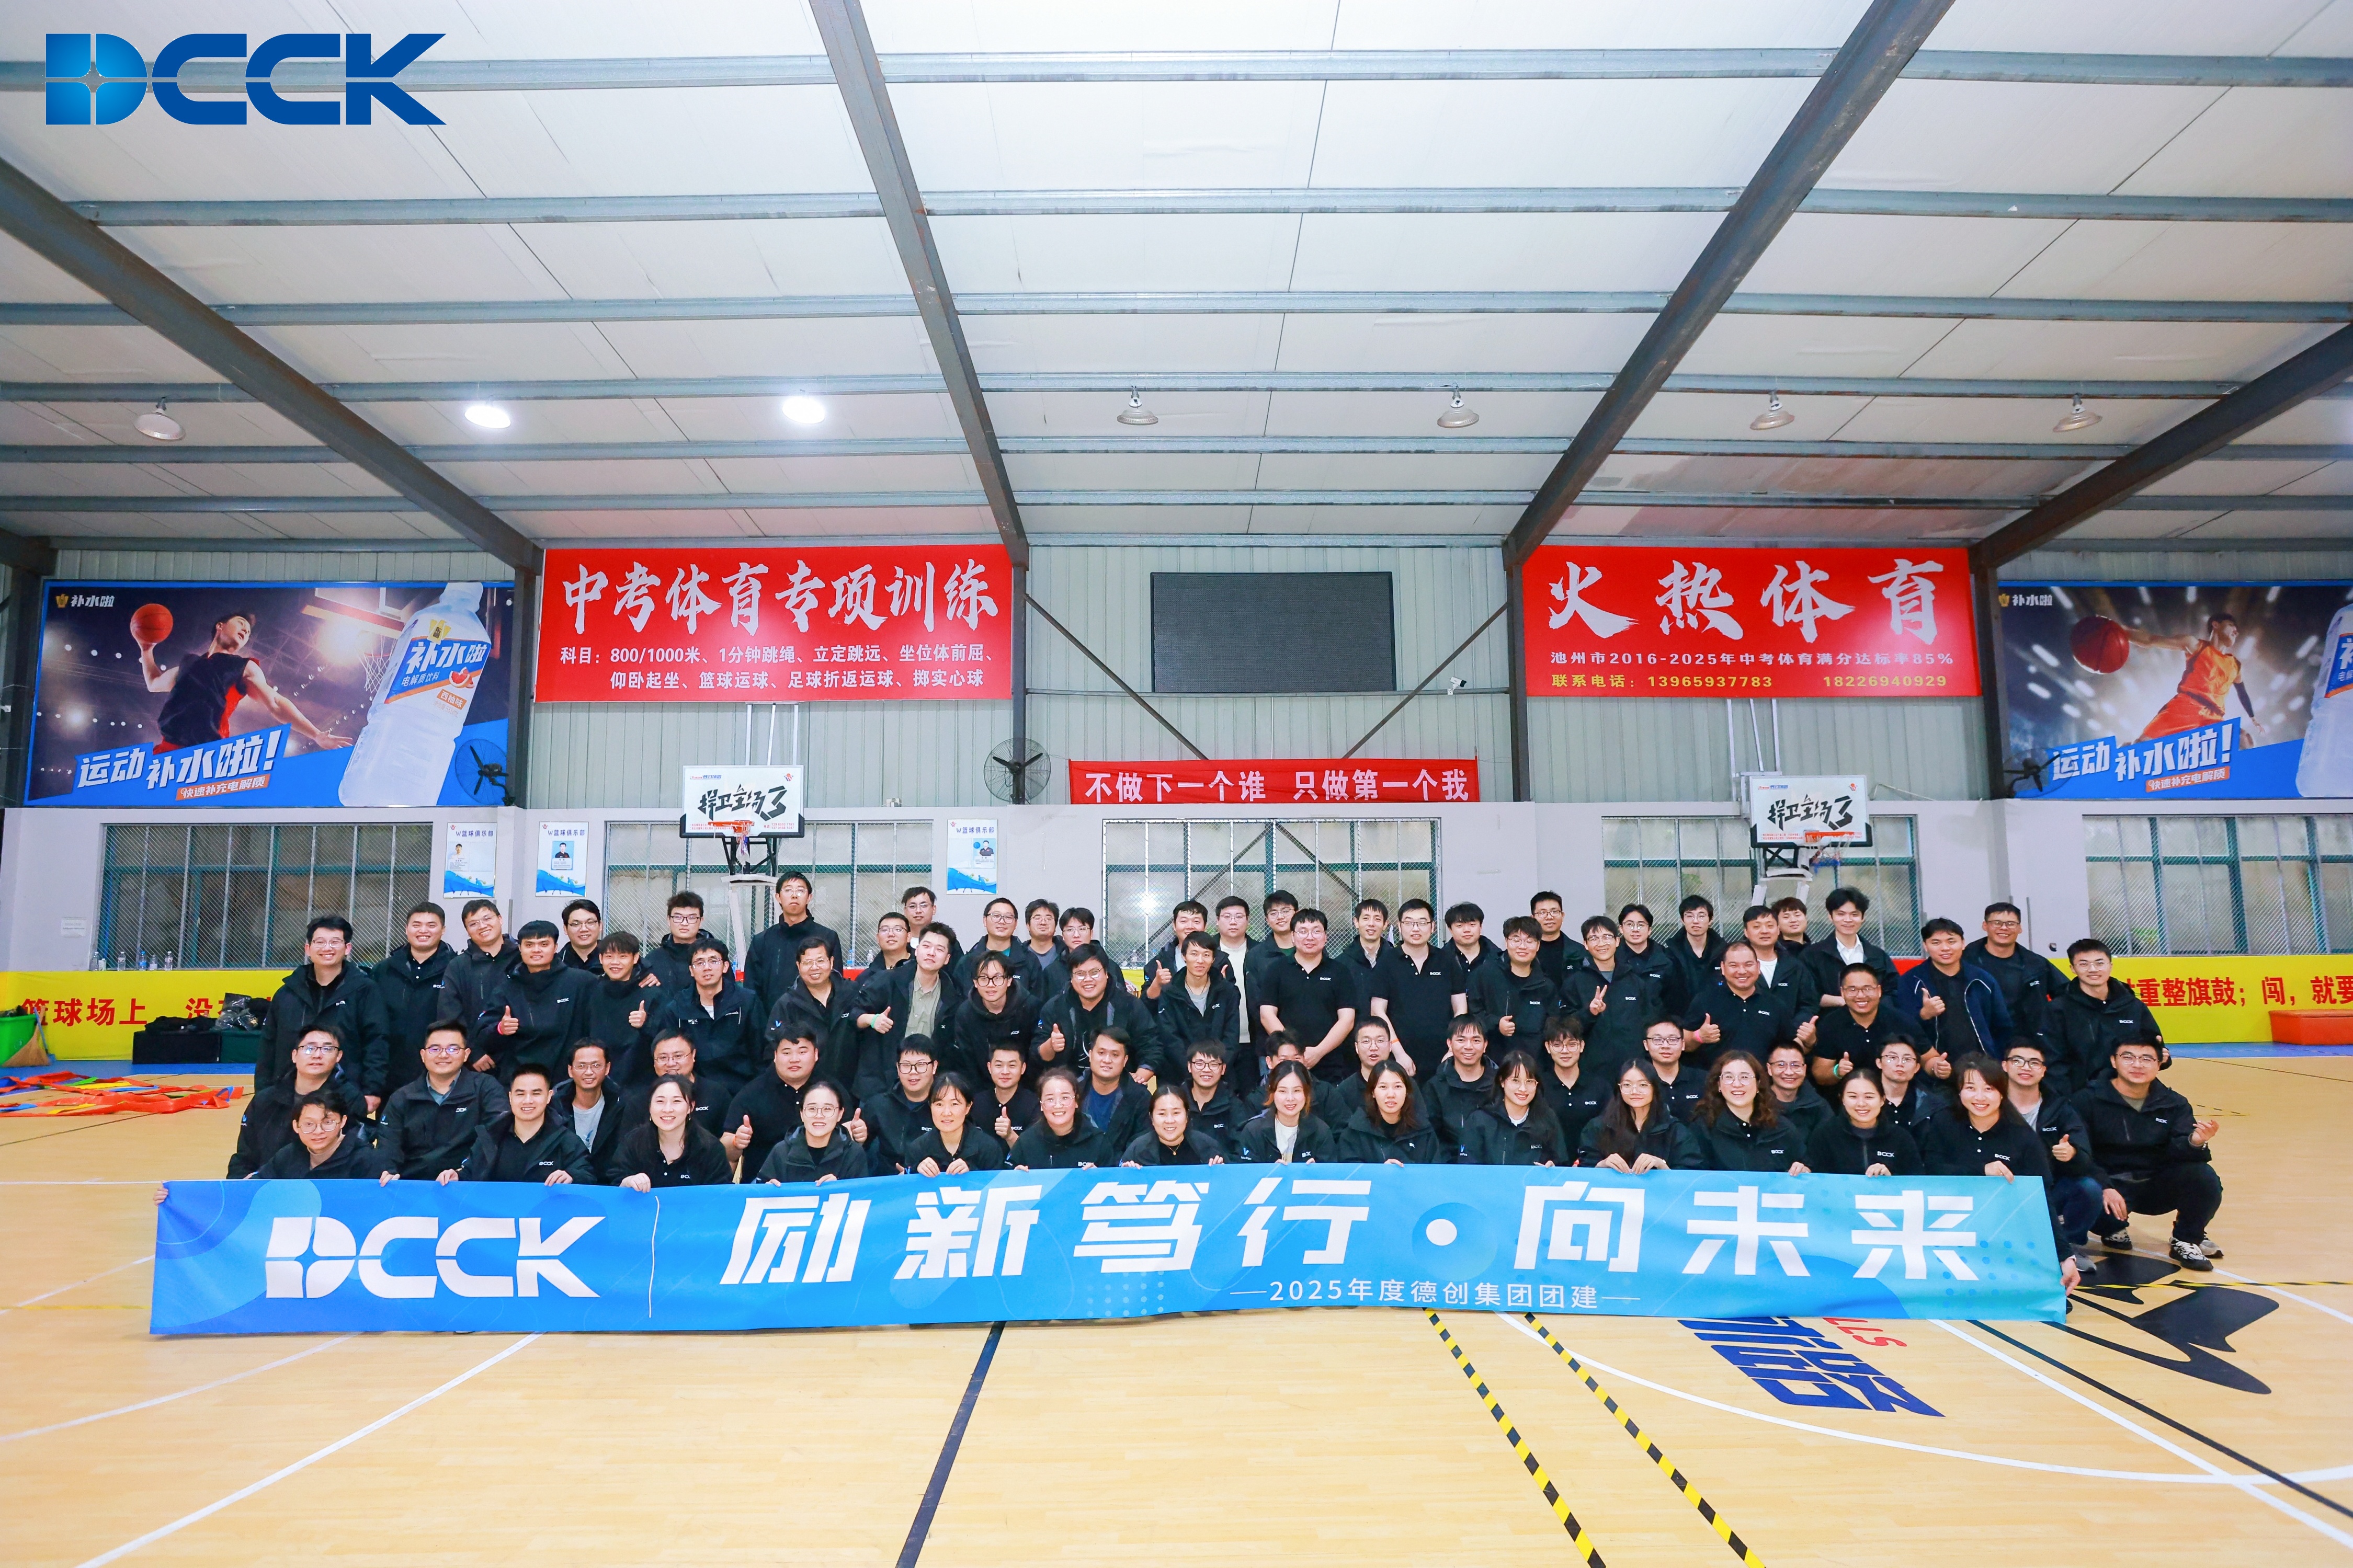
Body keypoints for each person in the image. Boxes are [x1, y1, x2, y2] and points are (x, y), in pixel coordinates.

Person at [1923, 1055, 2082, 1292]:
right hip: (1949, 1230)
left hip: (2002, 1234)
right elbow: (1930, 1170)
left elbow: (2039, 1200)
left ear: (2002, 1093)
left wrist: (2066, 1256)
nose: (1979, 1097)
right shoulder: (1943, 1123)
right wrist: (1981, 1171)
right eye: (1970, 1088)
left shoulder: (2023, 1138)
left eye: (1989, 1089)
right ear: (1959, 1091)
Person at [2072, 1038, 2223, 1271]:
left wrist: (2194, 1143)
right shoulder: (2087, 1100)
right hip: (2110, 1185)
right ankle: (2111, 1228)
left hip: (2155, 1184)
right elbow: (2081, 1153)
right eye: (2128, 1057)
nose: (2137, 1065)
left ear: (2159, 1063)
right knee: (2087, 1191)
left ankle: (2186, 1239)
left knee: (2204, 1177)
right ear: (2113, 1061)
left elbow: (2184, 1155)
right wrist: (2104, 1186)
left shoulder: (2174, 1103)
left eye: (2147, 1059)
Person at [137, 605, 351, 754]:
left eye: (248, 632)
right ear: (220, 626)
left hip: (207, 754)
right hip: (167, 751)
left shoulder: (245, 667)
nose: (245, 631)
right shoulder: (189, 664)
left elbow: (276, 703)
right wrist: (146, 649)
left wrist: (316, 735)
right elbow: (154, 682)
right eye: (241, 624)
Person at [1999, 1037, 2107, 1272]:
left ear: (2044, 1070)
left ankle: (2069, 1246)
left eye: (2034, 1063)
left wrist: (2073, 1153)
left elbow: (2084, 1154)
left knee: (2088, 1189)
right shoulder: (1988, 1103)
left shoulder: (2060, 1108)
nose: (2026, 1067)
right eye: (2018, 1061)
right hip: (2000, 1190)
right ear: (2005, 1065)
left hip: (2047, 1191)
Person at [263, 914, 390, 1111]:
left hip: (346, 1094)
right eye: (320, 942)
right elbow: (269, 1044)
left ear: (347, 948)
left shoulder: (365, 990)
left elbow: (377, 1041)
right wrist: (264, 1092)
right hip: (289, 1095)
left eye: (335, 942)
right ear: (308, 949)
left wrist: (373, 1089)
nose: (327, 948)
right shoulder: (287, 993)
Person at [228, 1024, 371, 1178]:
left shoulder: (350, 1099)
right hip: (266, 1184)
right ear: (294, 1056)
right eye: (309, 1048)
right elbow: (245, 1157)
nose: (317, 1055)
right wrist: (243, 1185)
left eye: (327, 1049)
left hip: (322, 1186)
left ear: (339, 1057)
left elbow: (355, 1156)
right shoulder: (265, 1100)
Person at [379, 1022, 509, 1182]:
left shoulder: (486, 1088)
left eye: (453, 1049)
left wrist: (463, 1173)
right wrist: (389, 1173)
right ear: (423, 1055)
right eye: (435, 1049)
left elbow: (495, 1135)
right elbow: (388, 1147)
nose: (443, 1055)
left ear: (466, 1054)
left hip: (467, 1184)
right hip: (414, 1186)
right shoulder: (402, 1098)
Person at [473, 919, 589, 1085]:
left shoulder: (581, 982)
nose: (536, 950)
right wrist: (500, 1029)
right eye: (529, 945)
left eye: (544, 944)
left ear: (555, 947)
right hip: (521, 1081)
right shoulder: (506, 989)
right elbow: (483, 1036)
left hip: (568, 1081)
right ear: (520, 948)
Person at [650, 935, 764, 1106]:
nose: (707, 968)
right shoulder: (677, 1008)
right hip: (694, 1092)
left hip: (742, 1090)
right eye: (700, 962)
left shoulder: (747, 1002)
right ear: (691, 970)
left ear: (725, 967)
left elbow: (761, 1052)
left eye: (714, 961)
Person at [2047, 939, 2165, 1101]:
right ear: (2073, 969)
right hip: (2080, 1097)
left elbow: (2156, 1048)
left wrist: (2161, 1057)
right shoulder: (2058, 1009)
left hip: (2129, 1093)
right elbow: (2053, 1062)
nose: (2093, 969)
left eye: (2100, 963)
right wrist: (2070, 1100)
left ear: (2111, 965)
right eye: (2084, 964)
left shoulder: (2132, 1006)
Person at [1033, 947, 1168, 1084]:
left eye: (1095, 973)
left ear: (1106, 973)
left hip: (1120, 1086)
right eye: (1080, 974)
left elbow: (1152, 1047)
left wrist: (1139, 1078)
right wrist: (1051, 1046)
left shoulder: (1129, 1005)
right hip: (1069, 1088)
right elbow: (1037, 1054)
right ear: (1072, 978)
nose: (1088, 979)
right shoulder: (1055, 1007)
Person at [2128, 610, 2266, 742]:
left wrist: (2253, 718)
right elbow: (2150, 640)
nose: (2236, 632)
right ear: (2216, 625)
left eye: (2237, 630)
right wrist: (2122, 632)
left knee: (2243, 740)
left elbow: (2242, 692)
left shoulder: (2236, 665)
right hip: (2187, 707)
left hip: (2214, 717)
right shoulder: (2195, 645)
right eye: (2231, 625)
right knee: (2141, 746)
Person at [851, 928, 956, 1101]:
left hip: (925, 1087)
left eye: (939, 949)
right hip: (880, 1083)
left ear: (947, 959)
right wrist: (872, 1020)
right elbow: (853, 1013)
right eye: (926, 946)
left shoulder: (952, 996)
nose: (931, 953)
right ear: (917, 950)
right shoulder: (888, 980)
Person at [1895, 918, 2011, 1073]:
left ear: (1963, 943)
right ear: (1925, 946)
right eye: (1936, 943)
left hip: (1982, 1068)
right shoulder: (1911, 981)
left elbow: (2002, 1026)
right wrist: (1924, 1015)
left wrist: (1996, 1061)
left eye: (1951, 941)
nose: (1945, 948)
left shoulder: (1982, 980)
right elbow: (1902, 1028)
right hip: (1933, 1070)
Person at [1369, 898, 1469, 1079]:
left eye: (1422, 923)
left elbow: (1461, 1008)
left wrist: (1453, 1049)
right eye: (1409, 923)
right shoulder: (1387, 962)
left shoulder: (1447, 961)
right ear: (1400, 927)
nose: (1416, 929)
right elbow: (1377, 1010)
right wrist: (1398, 1052)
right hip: (1399, 1058)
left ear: (1433, 927)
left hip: (1444, 1056)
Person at [1259, 908, 1361, 1085]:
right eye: (1303, 932)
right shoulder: (1276, 970)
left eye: (1316, 931)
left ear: (1326, 936)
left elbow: (1347, 1019)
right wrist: (1293, 1053)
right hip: (1286, 1064)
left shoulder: (1340, 972)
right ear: (1293, 936)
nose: (1310, 937)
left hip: (1330, 1063)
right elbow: (1267, 1015)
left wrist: (1319, 1052)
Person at [444, 1066, 594, 1184]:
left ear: (549, 1097)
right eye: (520, 1094)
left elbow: (588, 1175)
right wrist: (456, 1176)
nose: (528, 1101)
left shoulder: (566, 1140)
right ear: (510, 1097)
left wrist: (572, 1176)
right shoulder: (490, 1137)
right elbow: (470, 1174)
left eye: (536, 1094)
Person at [373, 901, 456, 1104]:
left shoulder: (456, 969)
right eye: (417, 925)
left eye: (431, 925)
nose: (423, 931)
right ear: (406, 929)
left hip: (442, 1072)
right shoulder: (383, 970)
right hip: (391, 1073)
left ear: (443, 930)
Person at [1558, 914, 1659, 1079]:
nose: (1601, 943)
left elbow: (1650, 1024)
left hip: (1632, 1071)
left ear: (1617, 941)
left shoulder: (1635, 982)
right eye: (1594, 938)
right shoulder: (1575, 983)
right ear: (1586, 945)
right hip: (1591, 1073)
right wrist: (1590, 1013)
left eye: (1607, 937)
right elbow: (1565, 1028)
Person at [1682, 941, 1803, 1070]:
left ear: (1758, 967)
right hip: (1716, 1079)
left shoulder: (1775, 1005)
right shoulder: (1705, 1000)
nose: (1742, 971)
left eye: (1748, 965)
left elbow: (1790, 1047)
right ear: (1723, 968)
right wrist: (1698, 1037)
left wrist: (1808, 1041)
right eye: (1734, 966)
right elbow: (1684, 1044)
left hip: (1761, 1080)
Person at [1964, 902, 2070, 1050]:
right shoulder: (1965, 961)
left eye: (2011, 924)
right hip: (1978, 1042)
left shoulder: (2036, 964)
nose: (2004, 928)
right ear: (1985, 926)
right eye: (1997, 923)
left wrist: (2050, 1024)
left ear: (2020, 928)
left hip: (2026, 1045)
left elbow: (2066, 994)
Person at [725, 1029, 823, 1182]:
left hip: (818, 1183)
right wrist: (736, 1143)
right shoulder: (751, 1093)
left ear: (816, 1054)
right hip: (764, 1185)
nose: (794, 1059)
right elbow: (726, 1149)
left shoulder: (831, 1091)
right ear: (775, 1056)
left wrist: (857, 1133)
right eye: (787, 1053)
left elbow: (847, 1133)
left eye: (802, 1052)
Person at [744, 871, 845, 1015]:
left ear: (809, 897)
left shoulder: (827, 937)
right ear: (778, 897)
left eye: (800, 891)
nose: (794, 895)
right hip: (772, 1022)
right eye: (788, 890)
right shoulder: (762, 941)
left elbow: (836, 984)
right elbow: (752, 990)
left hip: (816, 1022)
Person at [1691, 1051, 1807, 1173]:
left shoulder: (1782, 1127)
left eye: (1745, 1077)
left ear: (1758, 1084)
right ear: (1719, 1085)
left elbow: (1805, 1165)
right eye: (1729, 1077)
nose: (1737, 1084)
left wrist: (1803, 1171)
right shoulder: (1703, 1128)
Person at [1577, 1060, 1703, 1172]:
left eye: (1643, 1085)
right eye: (1627, 1085)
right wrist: (1602, 1165)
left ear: (1655, 1088)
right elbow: (1584, 1170)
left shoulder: (1675, 1130)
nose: (1635, 1091)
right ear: (1619, 1089)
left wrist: (1661, 1165)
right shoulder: (1598, 1127)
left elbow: (1690, 1175)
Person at [612, 1075, 733, 1190]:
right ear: (650, 1107)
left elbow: (721, 1195)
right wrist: (627, 1182)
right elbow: (615, 1183)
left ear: (691, 1107)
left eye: (676, 1101)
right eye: (660, 1101)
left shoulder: (710, 1149)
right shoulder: (634, 1143)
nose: (668, 1109)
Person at [1810, 963, 1918, 1089]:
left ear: (1879, 991)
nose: (1861, 996)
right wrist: (1837, 1072)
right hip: (1848, 1095)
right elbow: (1820, 1074)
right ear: (1843, 993)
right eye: (1853, 990)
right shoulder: (1830, 1024)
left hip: (1895, 1092)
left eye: (1867, 989)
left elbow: (1928, 1058)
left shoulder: (1902, 1021)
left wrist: (1935, 1067)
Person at [770, 937, 856, 1090]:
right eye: (808, 963)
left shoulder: (853, 993)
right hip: (807, 1090)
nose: (815, 967)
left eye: (820, 961)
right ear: (799, 966)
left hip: (853, 1086)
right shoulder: (787, 1004)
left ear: (831, 962)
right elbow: (773, 1048)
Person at [1804, 1068, 1924, 1177]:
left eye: (1869, 1097)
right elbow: (1815, 1179)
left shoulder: (1901, 1138)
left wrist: (1890, 1178)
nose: (1861, 1104)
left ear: (1882, 1100)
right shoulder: (1824, 1135)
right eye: (1853, 1097)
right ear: (1843, 1100)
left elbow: (1916, 1182)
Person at [1459, 1050, 1569, 1166]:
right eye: (1516, 1081)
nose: (1523, 1089)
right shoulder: (1480, 1121)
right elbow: (1468, 1169)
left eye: (1530, 1081)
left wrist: (1553, 1168)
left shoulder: (1547, 1119)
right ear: (1502, 1081)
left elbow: (1562, 1163)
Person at [249, 1091, 390, 1181]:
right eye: (309, 1124)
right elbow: (259, 1184)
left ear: (343, 1121)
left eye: (328, 1122)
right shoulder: (287, 1156)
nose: (318, 1131)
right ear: (296, 1126)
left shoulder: (367, 1160)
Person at [948, 951, 1042, 1084]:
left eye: (997, 978)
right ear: (975, 982)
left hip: (1025, 1086)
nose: (990, 984)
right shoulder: (965, 1014)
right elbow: (966, 1064)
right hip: (980, 1088)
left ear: (1009, 980)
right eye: (984, 978)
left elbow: (1035, 1059)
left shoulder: (1030, 1007)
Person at [853, 1036, 941, 1173]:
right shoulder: (879, 1105)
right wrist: (858, 1139)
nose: (913, 1072)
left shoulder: (947, 1107)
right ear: (898, 1069)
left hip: (932, 1180)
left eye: (921, 1065)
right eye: (906, 1065)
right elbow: (855, 1154)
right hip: (887, 1181)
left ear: (934, 1067)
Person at [1154, 931, 1244, 1066]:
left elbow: (1231, 1035)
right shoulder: (1170, 993)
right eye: (1194, 954)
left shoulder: (1227, 991)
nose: (1200, 961)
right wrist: (1193, 1067)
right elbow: (1171, 1039)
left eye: (1206, 955)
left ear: (1213, 959)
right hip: (1182, 1070)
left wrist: (1217, 1067)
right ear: (1184, 956)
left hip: (1220, 1069)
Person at [1799, 887, 1897, 1009]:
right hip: (1831, 1018)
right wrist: (1843, 1001)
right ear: (1830, 916)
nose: (1848, 920)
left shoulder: (1878, 956)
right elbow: (1806, 994)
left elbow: (1893, 990)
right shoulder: (1812, 955)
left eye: (1854, 915)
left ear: (1863, 917)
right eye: (1841, 914)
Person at [1468, 915, 1557, 1049]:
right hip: (1494, 1055)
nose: (1523, 946)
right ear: (1506, 942)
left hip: (1533, 1056)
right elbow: (1473, 1012)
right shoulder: (1485, 974)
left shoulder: (1546, 984)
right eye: (1516, 940)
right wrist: (1496, 1023)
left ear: (1538, 945)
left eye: (1530, 941)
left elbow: (1553, 1025)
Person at [583, 933, 658, 1088]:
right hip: (597, 1081)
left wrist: (647, 1024)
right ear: (601, 959)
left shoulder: (652, 993)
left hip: (640, 1084)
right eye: (609, 956)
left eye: (623, 956)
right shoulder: (592, 992)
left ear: (635, 958)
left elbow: (666, 1037)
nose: (615, 962)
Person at [757, 1080, 868, 1183]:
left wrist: (838, 1187)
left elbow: (862, 1195)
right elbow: (759, 1190)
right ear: (801, 1113)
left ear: (840, 1114)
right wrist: (768, 1190)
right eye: (812, 1109)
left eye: (827, 1109)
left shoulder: (853, 1153)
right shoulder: (781, 1152)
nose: (819, 1116)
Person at [442, 899, 519, 1046]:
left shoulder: (523, 957)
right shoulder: (458, 966)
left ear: (500, 919)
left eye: (487, 919)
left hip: (520, 1051)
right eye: (473, 924)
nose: (482, 926)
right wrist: (474, 1053)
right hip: (476, 1053)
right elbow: (450, 1015)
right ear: (467, 931)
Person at [1338, 1061, 1446, 1164]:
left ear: (1407, 1092)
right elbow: (1350, 1173)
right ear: (1373, 1092)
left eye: (1398, 1087)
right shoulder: (1355, 1132)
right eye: (1383, 1087)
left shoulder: (1424, 1131)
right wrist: (1381, 1172)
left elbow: (1434, 1172)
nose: (1391, 1095)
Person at [1421, 1014, 1499, 1155]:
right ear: (1450, 1044)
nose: (1468, 1047)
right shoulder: (1435, 1087)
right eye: (1461, 1040)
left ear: (1485, 1045)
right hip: (1449, 1163)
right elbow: (1430, 1136)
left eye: (1476, 1040)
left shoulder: (1501, 1084)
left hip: (1493, 1162)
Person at [622, 1032, 726, 1136]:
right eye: (663, 1058)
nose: (671, 1064)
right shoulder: (638, 1103)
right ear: (654, 1062)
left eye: (678, 1056)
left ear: (693, 1055)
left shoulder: (717, 1094)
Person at [903, 1073, 1008, 1175]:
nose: (946, 1113)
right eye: (939, 1104)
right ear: (931, 1107)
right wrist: (916, 1172)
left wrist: (973, 1172)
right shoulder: (917, 1149)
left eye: (954, 1104)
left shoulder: (988, 1149)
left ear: (968, 1107)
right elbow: (907, 1183)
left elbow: (997, 1184)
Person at [1235, 1060, 1336, 1163]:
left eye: (1297, 1091)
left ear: (1306, 1093)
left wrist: (1317, 1171)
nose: (1290, 1098)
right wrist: (1270, 1171)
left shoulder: (1321, 1132)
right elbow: (1246, 1171)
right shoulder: (1253, 1131)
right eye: (1283, 1091)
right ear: (1272, 1092)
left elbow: (1330, 1171)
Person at [1536, 1016, 1612, 1150]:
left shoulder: (1601, 1087)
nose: (1565, 1051)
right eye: (1558, 1045)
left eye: (1572, 1044)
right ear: (1548, 1047)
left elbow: (1610, 1129)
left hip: (1593, 1160)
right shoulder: (1538, 1086)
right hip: (1549, 1161)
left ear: (1582, 1046)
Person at [553, 1039, 623, 1183]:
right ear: (570, 1070)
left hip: (609, 1186)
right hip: (565, 1185)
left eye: (596, 1065)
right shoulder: (554, 1106)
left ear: (607, 1068)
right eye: (581, 1066)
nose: (589, 1072)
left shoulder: (621, 1103)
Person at [1011, 1069, 1110, 1169]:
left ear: (1076, 1101)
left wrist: (1100, 1175)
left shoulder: (1098, 1142)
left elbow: (1113, 1175)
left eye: (1065, 1098)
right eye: (1050, 1099)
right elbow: (1007, 1172)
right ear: (1041, 1104)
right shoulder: (1026, 1141)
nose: (1058, 1106)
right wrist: (1016, 1175)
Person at [951, 896, 1044, 995]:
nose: (1002, 921)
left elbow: (1037, 1001)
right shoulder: (967, 962)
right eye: (996, 916)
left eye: (1008, 917)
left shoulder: (1029, 961)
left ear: (1016, 924)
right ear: (985, 920)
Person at [1078, 1028, 1153, 1153]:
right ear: (1090, 1055)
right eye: (1101, 1053)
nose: (1107, 1060)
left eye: (1115, 1055)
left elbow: (1141, 1145)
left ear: (1125, 1060)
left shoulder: (1140, 1098)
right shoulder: (1075, 1092)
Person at [1213, 896, 1261, 1084]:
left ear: (1248, 920)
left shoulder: (1261, 953)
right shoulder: (1206, 954)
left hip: (1255, 1042)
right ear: (1217, 921)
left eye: (1239, 917)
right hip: (1218, 1042)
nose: (1233, 922)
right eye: (1227, 917)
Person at [1122, 1085, 1226, 1166]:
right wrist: (1127, 1174)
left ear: (1187, 1116)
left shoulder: (1207, 1147)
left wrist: (1221, 1170)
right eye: (1162, 1114)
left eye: (1176, 1113)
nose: (1170, 1121)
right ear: (1152, 1118)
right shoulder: (1137, 1150)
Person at [1143, 899, 1225, 1001]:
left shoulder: (1221, 961)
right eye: (1184, 921)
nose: (1190, 927)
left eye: (1196, 921)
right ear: (1174, 926)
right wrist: (1157, 984)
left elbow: (1232, 1001)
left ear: (1205, 927)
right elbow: (1145, 1003)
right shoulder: (1160, 962)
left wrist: (1223, 987)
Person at [1039, 908, 1129, 999]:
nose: (1076, 935)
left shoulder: (1110, 967)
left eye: (1082, 929)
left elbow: (1123, 1001)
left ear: (1091, 933)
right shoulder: (1052, 971)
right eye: (1070, 930)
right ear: (1063, 936)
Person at [1613, 903, 1685, 1015]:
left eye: (1641, 925)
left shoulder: (1666, 959)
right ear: (1621, 929)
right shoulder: (1611, 958)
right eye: (1630, 925)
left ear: (1649, 930)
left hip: (1657, 1023)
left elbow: (1676, 1002)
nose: (1635, 930)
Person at [1177, 1041, 1246, 1153]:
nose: (1206, 1070)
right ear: (1189, 1066)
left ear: (1223, 1069)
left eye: (1214, 1064)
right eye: (1200, 1064)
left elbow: (1242, 1150)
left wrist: (1223, 1161)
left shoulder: (1235, 1106)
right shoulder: (1176, 1103)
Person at [1763, 1040, 1834, 1140]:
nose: (1789, 1072)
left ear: (1804, 1069)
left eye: (1795, 1065)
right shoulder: (1757, 1104)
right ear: (1769, 1069)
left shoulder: (1818, 1106)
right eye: (1781, 1065)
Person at [1639, 1016, 1706, 1121]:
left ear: (1683, 1044)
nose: (1665, 1046)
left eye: (1673, 1040)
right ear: (1646, 1045)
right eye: (1658, 1040)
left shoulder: (1703, 1080)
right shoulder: (1638, 1083)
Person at [1874, 1038, 1948, 1133]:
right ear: (1879, 1063)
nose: (1900, 1064)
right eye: (1892, 1058)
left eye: (1907, 1059)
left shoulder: (1931, 1104)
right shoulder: (1864, 1101)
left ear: (1917, 1068)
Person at [1668, 894, 1728, 1010]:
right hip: (1682, 1017)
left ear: (1711, 920)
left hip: (1718, 1016)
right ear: (1682, 920)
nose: (1696, 921)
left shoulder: (1724, 953)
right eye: (1690, 916)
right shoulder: (1670, 954)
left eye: (1701, 916)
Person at [641, 891, 710, 992]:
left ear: (701, 921)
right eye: (678, 917)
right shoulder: (654, 958)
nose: (684, 923)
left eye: (692, 918)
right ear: (669, 920)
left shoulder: (713, 957)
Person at [981, 1043, 1042, 1144]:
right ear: (990, 1067)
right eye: (999, 1065)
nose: (1005, 1072)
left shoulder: (1034, 1105)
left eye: (1012, 1066)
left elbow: (1034, 1151)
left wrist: (1010, 1136)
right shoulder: (977, 1103)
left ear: (1023, 1068)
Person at [901, 885, 964, 972]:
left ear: (934, 909)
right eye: (912, 906)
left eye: (924, 905)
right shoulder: (899, 942)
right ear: (905, 911)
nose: (918, 911)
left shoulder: (948, 941)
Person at [1529, 891, 1586, 987]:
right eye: (1542, 913)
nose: (1549, 917)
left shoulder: (1579, 951)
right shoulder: (1524, 952)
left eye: (1554, 912)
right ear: (1533, 918)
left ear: (1563, 915)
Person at [1443, 900, 1503, 977]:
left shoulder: (1499, 958)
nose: (1467, 930)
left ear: (1481, 927)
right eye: (1459, 926)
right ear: (1450, 930)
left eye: (1472, 925)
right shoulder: (1440, 959)